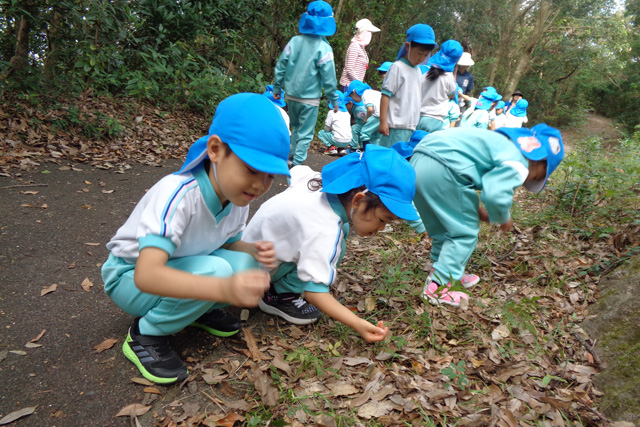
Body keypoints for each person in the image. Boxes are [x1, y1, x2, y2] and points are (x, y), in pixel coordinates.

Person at [101, 93, 291, 384]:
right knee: (217, 272)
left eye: (270, 177)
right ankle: (146, 334)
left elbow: (224, 242)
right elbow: (147, 275)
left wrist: (252, 250)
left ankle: (194, 312)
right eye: (252, 170)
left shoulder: (237, 197)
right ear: (215, 149)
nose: (260, 185)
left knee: (243, 266)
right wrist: (223, 290)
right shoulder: (179, 194)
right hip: (128, 276)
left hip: (182, 265)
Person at [243, 145, 420, 341]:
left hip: (249, 252)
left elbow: (297, 172)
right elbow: (314, 293)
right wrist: (357, 323)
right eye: (382, 220)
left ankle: (279, 287)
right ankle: (279, 297)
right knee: (336, 240)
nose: (380, 229)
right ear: (358, 200)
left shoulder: (319, 184)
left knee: (340, 233)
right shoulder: (324, 226)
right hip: (251, 277)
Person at [410, 124, 564, 307]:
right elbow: (494, 193)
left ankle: (442, 270)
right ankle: (438, 286)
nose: (529, 181)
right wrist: (502, 217)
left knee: (442, 226)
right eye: (538, 177)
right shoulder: (519, 162)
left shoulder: (497, 143)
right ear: (540, 161)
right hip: (446, 170)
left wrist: (478, 210)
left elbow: (465, 178)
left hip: (418, 160)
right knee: (463, 234)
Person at [272, 0, 339, 167]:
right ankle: (297, 163)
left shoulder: (294, 41)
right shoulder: (324, 48)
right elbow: (329, 78)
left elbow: (281, 65)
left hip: (291, 94)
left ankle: (292, 155)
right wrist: (334, 99)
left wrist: (277, 87)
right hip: (310, 99)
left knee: (295, 127)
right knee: (306, 132)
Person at [379, 24, 437, 148]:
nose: (421, 58)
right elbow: (385, 95)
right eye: (419, 53)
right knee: (387, 161)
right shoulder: (397, 67)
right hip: (394, 127)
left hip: (409, 127)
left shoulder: (417, 70)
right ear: (408, 46)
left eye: (425, 55)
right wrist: (383, 122)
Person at [417, 40, 463, 133]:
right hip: (434, 119)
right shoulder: (448, 77)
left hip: (418, 117)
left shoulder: (426, 74)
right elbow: (452, 94)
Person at [339, 18, 381, 91]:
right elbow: (349, 68)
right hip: (348, 86)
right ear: (364, 33)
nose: (370, 35)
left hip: (355, 86)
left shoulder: (361, 47)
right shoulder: (355, 46)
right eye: (369, 32)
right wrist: (360, 83)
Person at [318, 90, 356, 156]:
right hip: (348, 140)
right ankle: (342, 149)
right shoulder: (347, 113)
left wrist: (330, 130)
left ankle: (331, 148)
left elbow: (326, 128)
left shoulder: (331, 112)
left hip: (337, 140)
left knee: (321, 133)